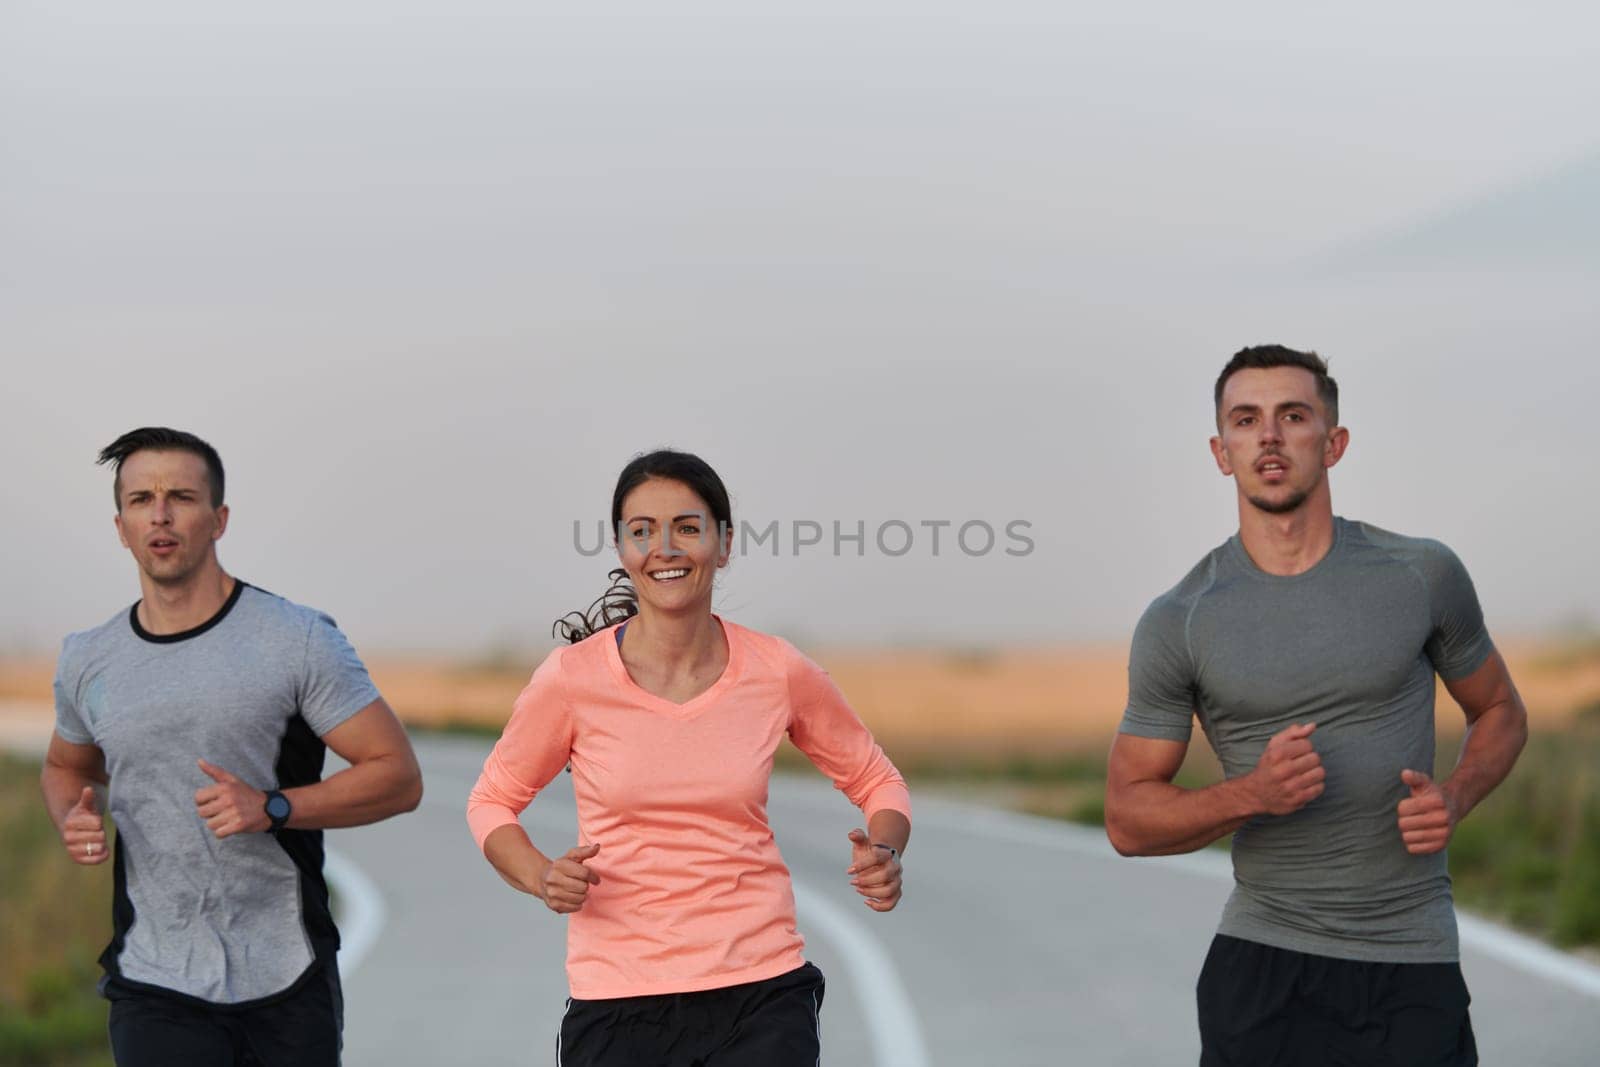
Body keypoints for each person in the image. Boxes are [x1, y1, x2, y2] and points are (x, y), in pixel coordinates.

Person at [1104, 347, 1528, 1066]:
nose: (1269, 436)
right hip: (1266, 963)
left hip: (1411, 958)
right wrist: (1253, 794)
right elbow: (1126, 818)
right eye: (1246, 419)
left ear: (1333, 442)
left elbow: (1501, 711)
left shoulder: (1421, 575)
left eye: (1292, 416)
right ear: (1221, 450)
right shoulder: (1181, 618)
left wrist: (1455, 797)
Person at [467, 449, 912, 1066]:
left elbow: (877, 780)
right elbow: (492, 801)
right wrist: (541, 876)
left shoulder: (777, 670)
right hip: (618, 997)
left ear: (723, 544)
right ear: (623, 550)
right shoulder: (571, 680)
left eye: (688, 527)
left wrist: (885, 851)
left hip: (761, 991)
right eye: (642, 531)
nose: (665, 548)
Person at [42, 427, 424, 1067]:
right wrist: (70, 816)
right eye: (141, 500)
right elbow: (65, 764)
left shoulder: (296, 639)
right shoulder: (89, 657)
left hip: (285, 973)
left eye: (181, 496)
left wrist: (273, 807)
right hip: (154, 976)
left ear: (219, 519)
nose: (160, 514)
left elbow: (398, 776)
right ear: (120, 526)